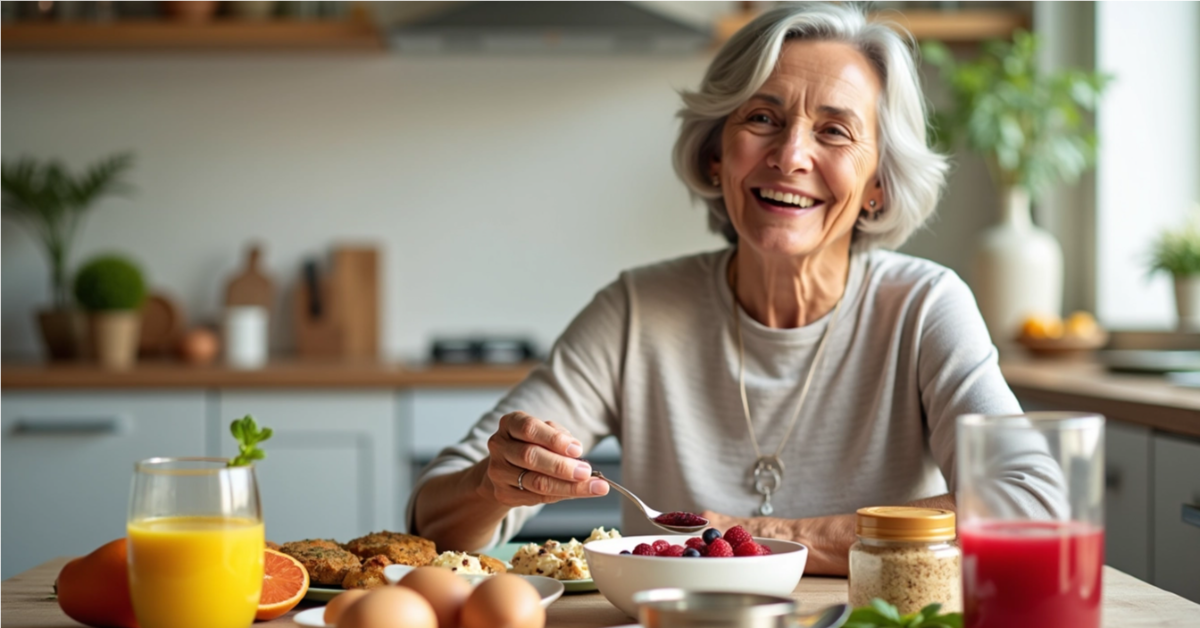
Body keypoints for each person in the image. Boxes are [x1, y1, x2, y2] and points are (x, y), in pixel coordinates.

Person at [407, 3, 1061, 576]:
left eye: (833, 130)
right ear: (717, 154)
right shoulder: (637, 312)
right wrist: (497, 482)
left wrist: (760, 540)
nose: (790, 156)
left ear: (878, 185)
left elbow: (1032, 503)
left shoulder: (924, 308)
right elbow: (431, 518)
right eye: (762, 118)